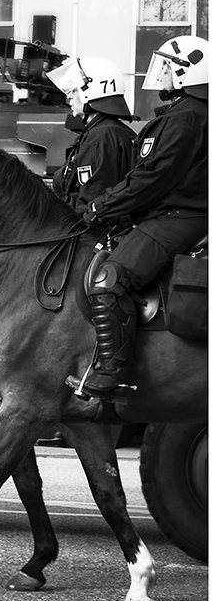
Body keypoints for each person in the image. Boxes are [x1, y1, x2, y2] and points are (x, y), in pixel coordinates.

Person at [71, 35, 208, 397]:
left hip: (179, 217)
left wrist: (102, 206)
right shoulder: (187, 112)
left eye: (167, 66)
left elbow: (152, 178)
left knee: (109, 279)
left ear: (184, 73)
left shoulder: (188, 116)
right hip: (171, 214)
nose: (160, 73)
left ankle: (113, 371)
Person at [49, 56, 136, 216]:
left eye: (73, 90)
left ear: (92, 92)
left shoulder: (100, 138)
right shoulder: (113, 131)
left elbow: (90, 202)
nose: (69, 96)